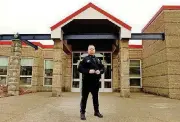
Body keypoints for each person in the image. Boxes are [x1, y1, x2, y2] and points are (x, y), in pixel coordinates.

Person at [78, 45, 105, 120]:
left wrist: (100, 71)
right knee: (84, 98)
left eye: (93, 49)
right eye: (90, 49)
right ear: (88, 50)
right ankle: (82, 113)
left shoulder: (98, 60)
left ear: (95, 50)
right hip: (86, 82)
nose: (92, 50)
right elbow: (79, 68)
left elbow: (103, 68)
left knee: (95, 98)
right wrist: (88, 71)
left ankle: (96, 112)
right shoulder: (85, 59)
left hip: (95, 82)